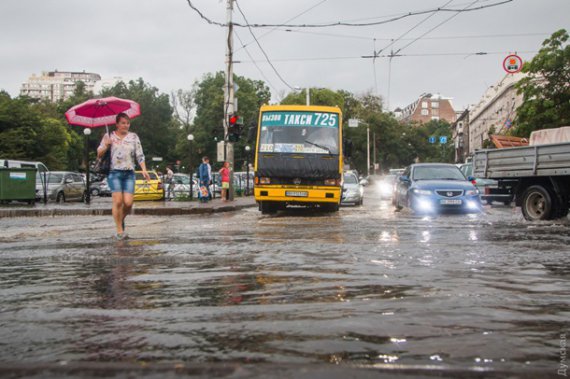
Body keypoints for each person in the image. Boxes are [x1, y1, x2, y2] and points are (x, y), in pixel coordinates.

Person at [97, 113, 150, 240]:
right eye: (123, 123)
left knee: (128, 203)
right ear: (117, 124)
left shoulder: (133, 137)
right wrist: (106, 145)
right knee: (118, 201)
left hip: (129, 173)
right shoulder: (108, 136)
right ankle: (120, 231)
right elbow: (99, 154)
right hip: (114, 172)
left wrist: (144, 169)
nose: (125, 125)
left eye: (127, 123)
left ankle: (120, 219)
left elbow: (140, 155)